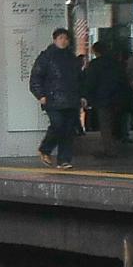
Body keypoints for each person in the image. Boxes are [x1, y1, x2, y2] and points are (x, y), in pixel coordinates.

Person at [30, 28, 83, 169]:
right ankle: (45, 149)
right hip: (52, 98)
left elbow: (80, 79)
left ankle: (64, 160)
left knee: (68, 129)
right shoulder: (46, 57)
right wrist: (40, 95)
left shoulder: (72, 58)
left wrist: (82, 96)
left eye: (66, 38)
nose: (63, 41)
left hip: (71, 99)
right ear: (54, 40)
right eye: (60, 38)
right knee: (57, 125)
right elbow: (36, 77)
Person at [81, 41, 131, 158]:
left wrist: (86, 96)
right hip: (117, 97)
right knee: (116, 122)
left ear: (95, 51)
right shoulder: (116, 63)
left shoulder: (95, 64)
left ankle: (110, 149)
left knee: (105, 125)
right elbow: (123, 79)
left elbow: (90, 82)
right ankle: (116, 145)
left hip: (102, 98)